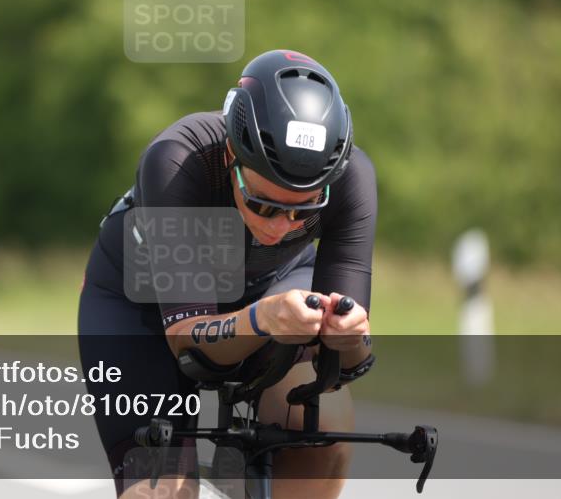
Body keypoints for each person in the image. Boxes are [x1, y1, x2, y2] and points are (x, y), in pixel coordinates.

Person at [78, 49, 376, 498]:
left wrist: (349, 339)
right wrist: (260, 319)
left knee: (324, 430)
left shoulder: (353, 180)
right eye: (263, 204)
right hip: (139, 301)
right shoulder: (177, 159)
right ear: (231, 157)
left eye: (303, 212)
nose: (280, 227)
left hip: (273, 284)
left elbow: (343, 367)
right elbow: (187, 344)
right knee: (162, 488)